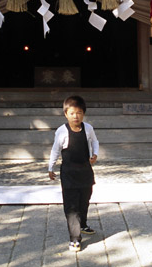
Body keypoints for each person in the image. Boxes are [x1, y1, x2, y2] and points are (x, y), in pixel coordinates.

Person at [48, 95, 99, 252]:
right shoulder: (62, 131)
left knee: (84, 200)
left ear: (83, 113)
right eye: (72, 113)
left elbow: (95, 141)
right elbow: (55, 150)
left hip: (85, 171)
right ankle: (75, 239)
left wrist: (95, 154)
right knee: (71, 206)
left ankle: (82, 224)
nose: (75, 116)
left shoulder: (88, 128)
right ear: (66, 114)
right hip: (69, 173)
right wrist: (50, 167)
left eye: (79, 113)